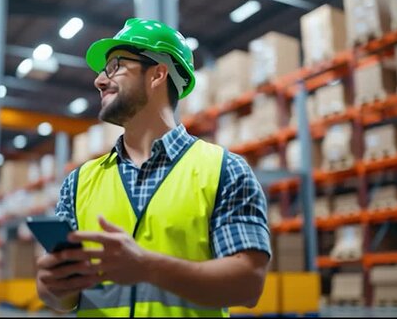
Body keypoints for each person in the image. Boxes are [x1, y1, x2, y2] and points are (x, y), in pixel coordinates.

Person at [35, 18, 271, 317]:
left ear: (158, 74)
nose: (99, 80)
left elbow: (248, 284)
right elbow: (60, 302)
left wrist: (148, 268)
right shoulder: (79, 182)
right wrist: (53, 286)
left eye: (115, 66)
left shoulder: (225, 170)